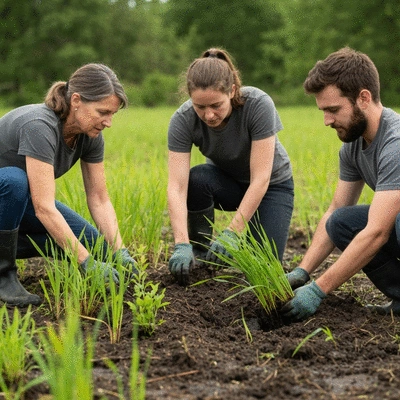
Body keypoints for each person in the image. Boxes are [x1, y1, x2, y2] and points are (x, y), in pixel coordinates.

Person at [0, 63, 137, 307]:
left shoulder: (90, 135)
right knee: (15, 181)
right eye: (102, 112)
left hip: (17, 204)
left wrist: (120, 251)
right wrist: (85, 263)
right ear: (76, 100)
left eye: (112, 114)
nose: (108, 122)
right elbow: (43, 207)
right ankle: (4, 274)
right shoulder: (39, 126)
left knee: (97, 247)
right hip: (10, 194)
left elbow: (99, 198)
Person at [282, 47, 400, 321]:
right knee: (341, 221)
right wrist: (303, 271)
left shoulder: (395, 143)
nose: (327, 121)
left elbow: (377, 233)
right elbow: (335, 209)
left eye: (333, 110)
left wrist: (318, 290)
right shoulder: (353, 146)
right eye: (323, 111)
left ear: (363, 98)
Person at [167, 47, 294, 286]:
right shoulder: (183, 120)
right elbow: (176, 186)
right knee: (197, 178)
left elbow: (261, 179)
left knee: (263, 269)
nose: (209, 115)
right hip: (227, 183)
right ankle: (201, 253)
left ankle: (242, 245)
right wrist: (181, 242)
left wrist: (232, 232)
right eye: (200, 107)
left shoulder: (257, 104)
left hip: (272, 187)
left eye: (216, 105)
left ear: (232, 91)